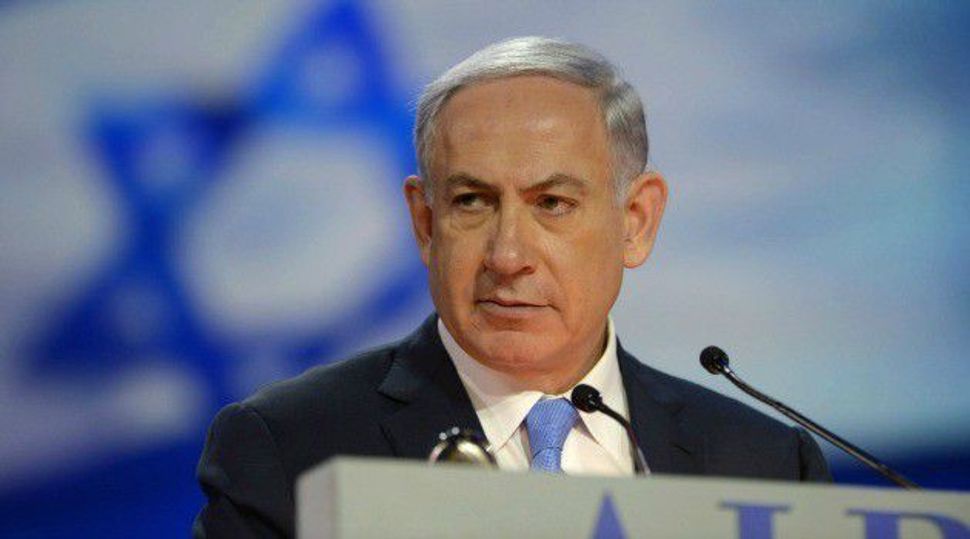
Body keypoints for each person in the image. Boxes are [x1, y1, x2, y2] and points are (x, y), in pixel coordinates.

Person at [193, 36, 830, 538]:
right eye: (471, 201)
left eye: (552, 203)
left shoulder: (766, 466)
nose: (507, 256)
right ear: (426, 223)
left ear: (636, 222)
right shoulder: (290, 448)